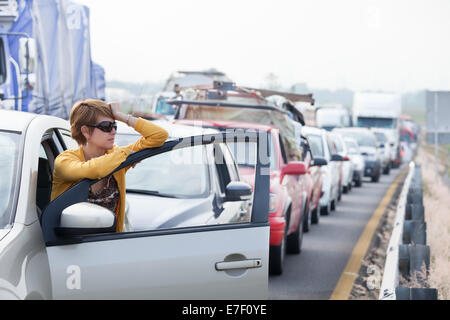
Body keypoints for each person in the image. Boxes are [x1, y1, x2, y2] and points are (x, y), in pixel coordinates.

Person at [51, 99, 169, 232]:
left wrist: (122, 116)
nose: (113, 131)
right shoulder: (64, 161)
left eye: (115, 126)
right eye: (106, 126)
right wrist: (125, 152)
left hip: (110, 243)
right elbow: (94, 170)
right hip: (70, 247)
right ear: (85, 131)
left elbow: (160, 136)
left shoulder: (117, 157)